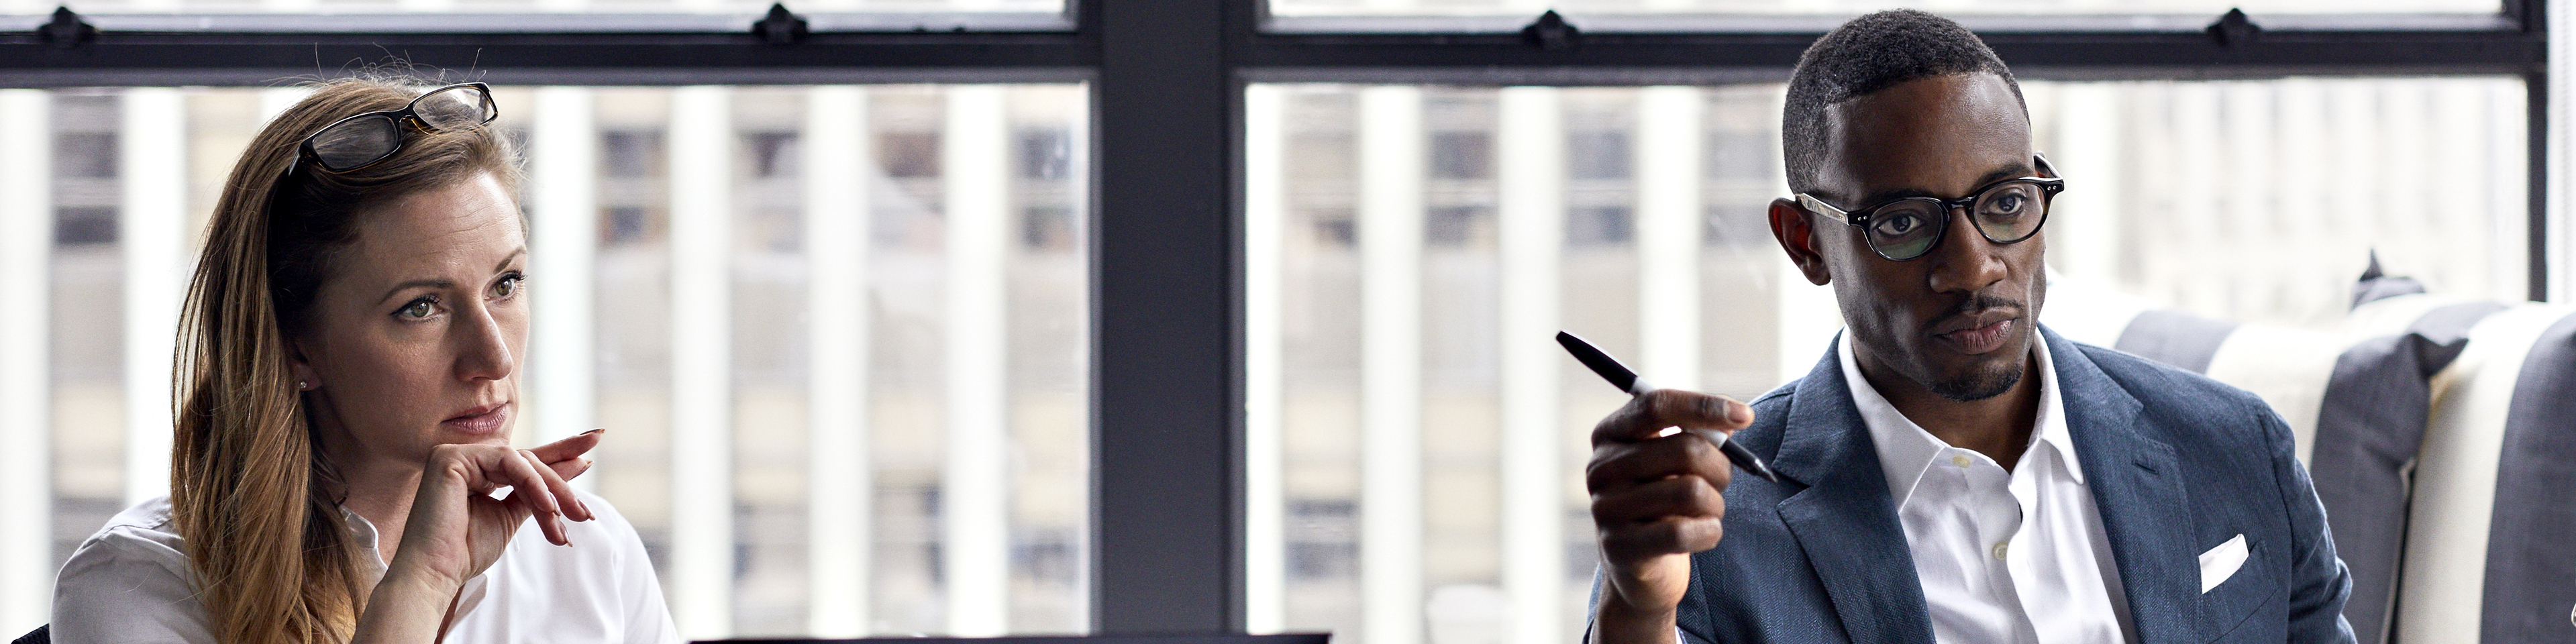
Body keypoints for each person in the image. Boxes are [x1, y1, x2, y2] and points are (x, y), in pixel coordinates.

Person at [1583, 11, 2355, 644]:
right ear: (1805, 243)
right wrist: (1638, 616)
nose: (1972, 267)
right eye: (1902, 222)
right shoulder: (1705, 532)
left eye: (2005, 202)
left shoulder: (2232, 448)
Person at [50, 78, 680, 644]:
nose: (493, 359)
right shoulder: (136, 589)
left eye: (505, 284)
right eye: (420, 307)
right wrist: (421, 585)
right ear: (296, 344)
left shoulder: (589, 552)